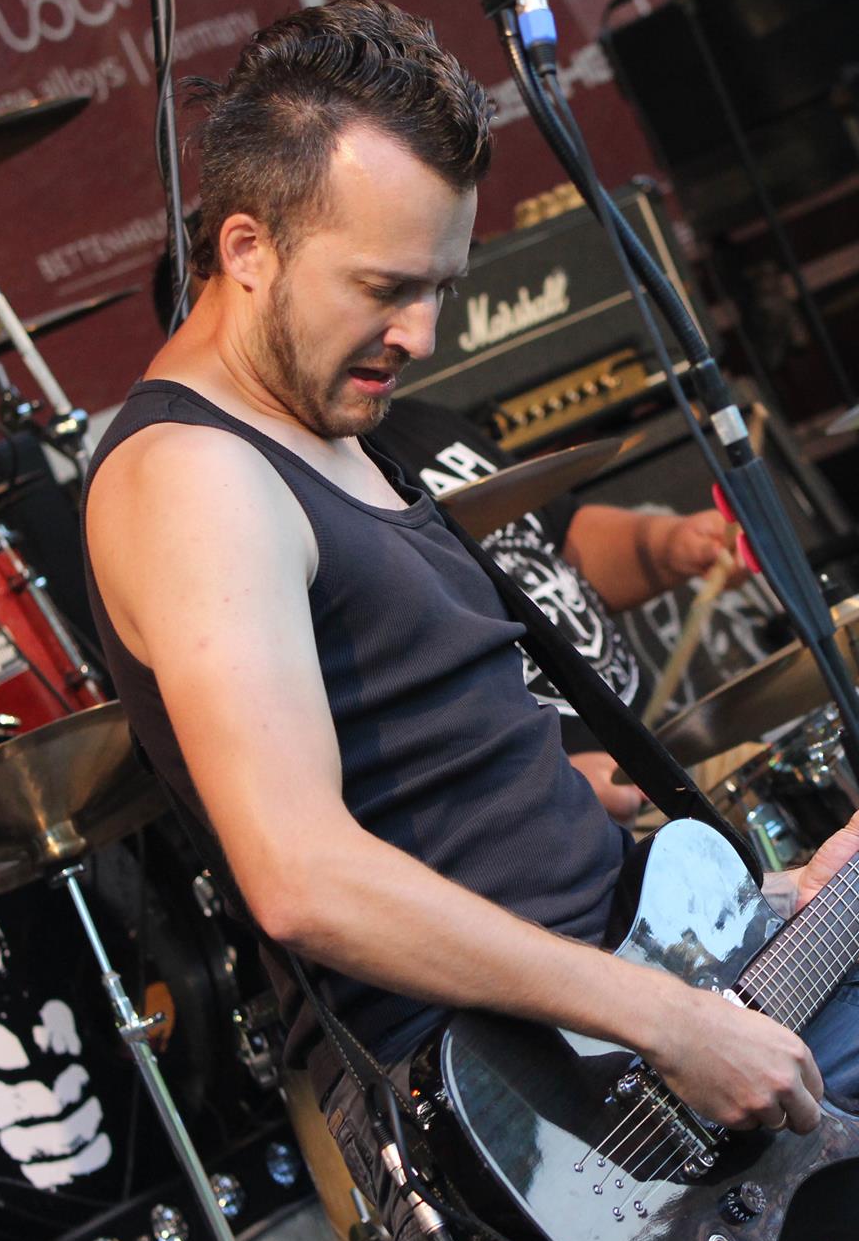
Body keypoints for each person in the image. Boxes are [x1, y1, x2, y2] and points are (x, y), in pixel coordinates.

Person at [83, 0, 859, 1241]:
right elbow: (300, 877)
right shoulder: (191, 477)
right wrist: (665, 1019)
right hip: (519, 1118)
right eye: (384, 288)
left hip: (638, 1012)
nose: (420, 335)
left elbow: (489, 833)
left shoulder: (333, 429)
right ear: (247, 248)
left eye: (440, 289)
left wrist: (781, 905)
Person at [151, 222, 735, 825]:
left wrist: (670, 545)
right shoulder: (236, 498)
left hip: (656, 757)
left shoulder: (413, 421)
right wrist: (548, 781)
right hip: (543, 824)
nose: (417, 333)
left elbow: (557, 548)